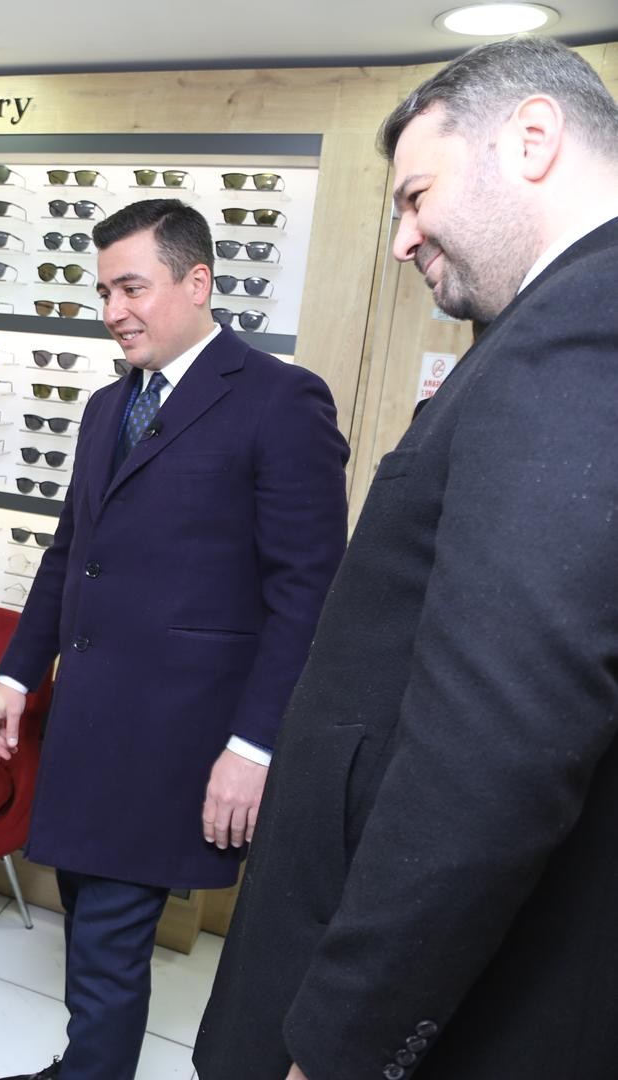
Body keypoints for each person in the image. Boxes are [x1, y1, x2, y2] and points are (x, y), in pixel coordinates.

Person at [195, 36, 618, 1080]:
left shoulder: (576, 331)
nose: (402, 240)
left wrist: (341, 1043)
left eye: (418, 196)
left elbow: (495, 751)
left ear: (532, 139)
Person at [0, 200, 350, 1080]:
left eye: (132, 288)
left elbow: (309, 596)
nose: (113, 311)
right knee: (92, 923)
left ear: (197, 282)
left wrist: (254, 747)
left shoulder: (280, 400)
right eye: (104, 292)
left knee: (107, 944)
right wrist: (17, 675)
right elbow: (72, 553)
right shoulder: (108, 406)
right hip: (88, 724)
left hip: (179, 738)